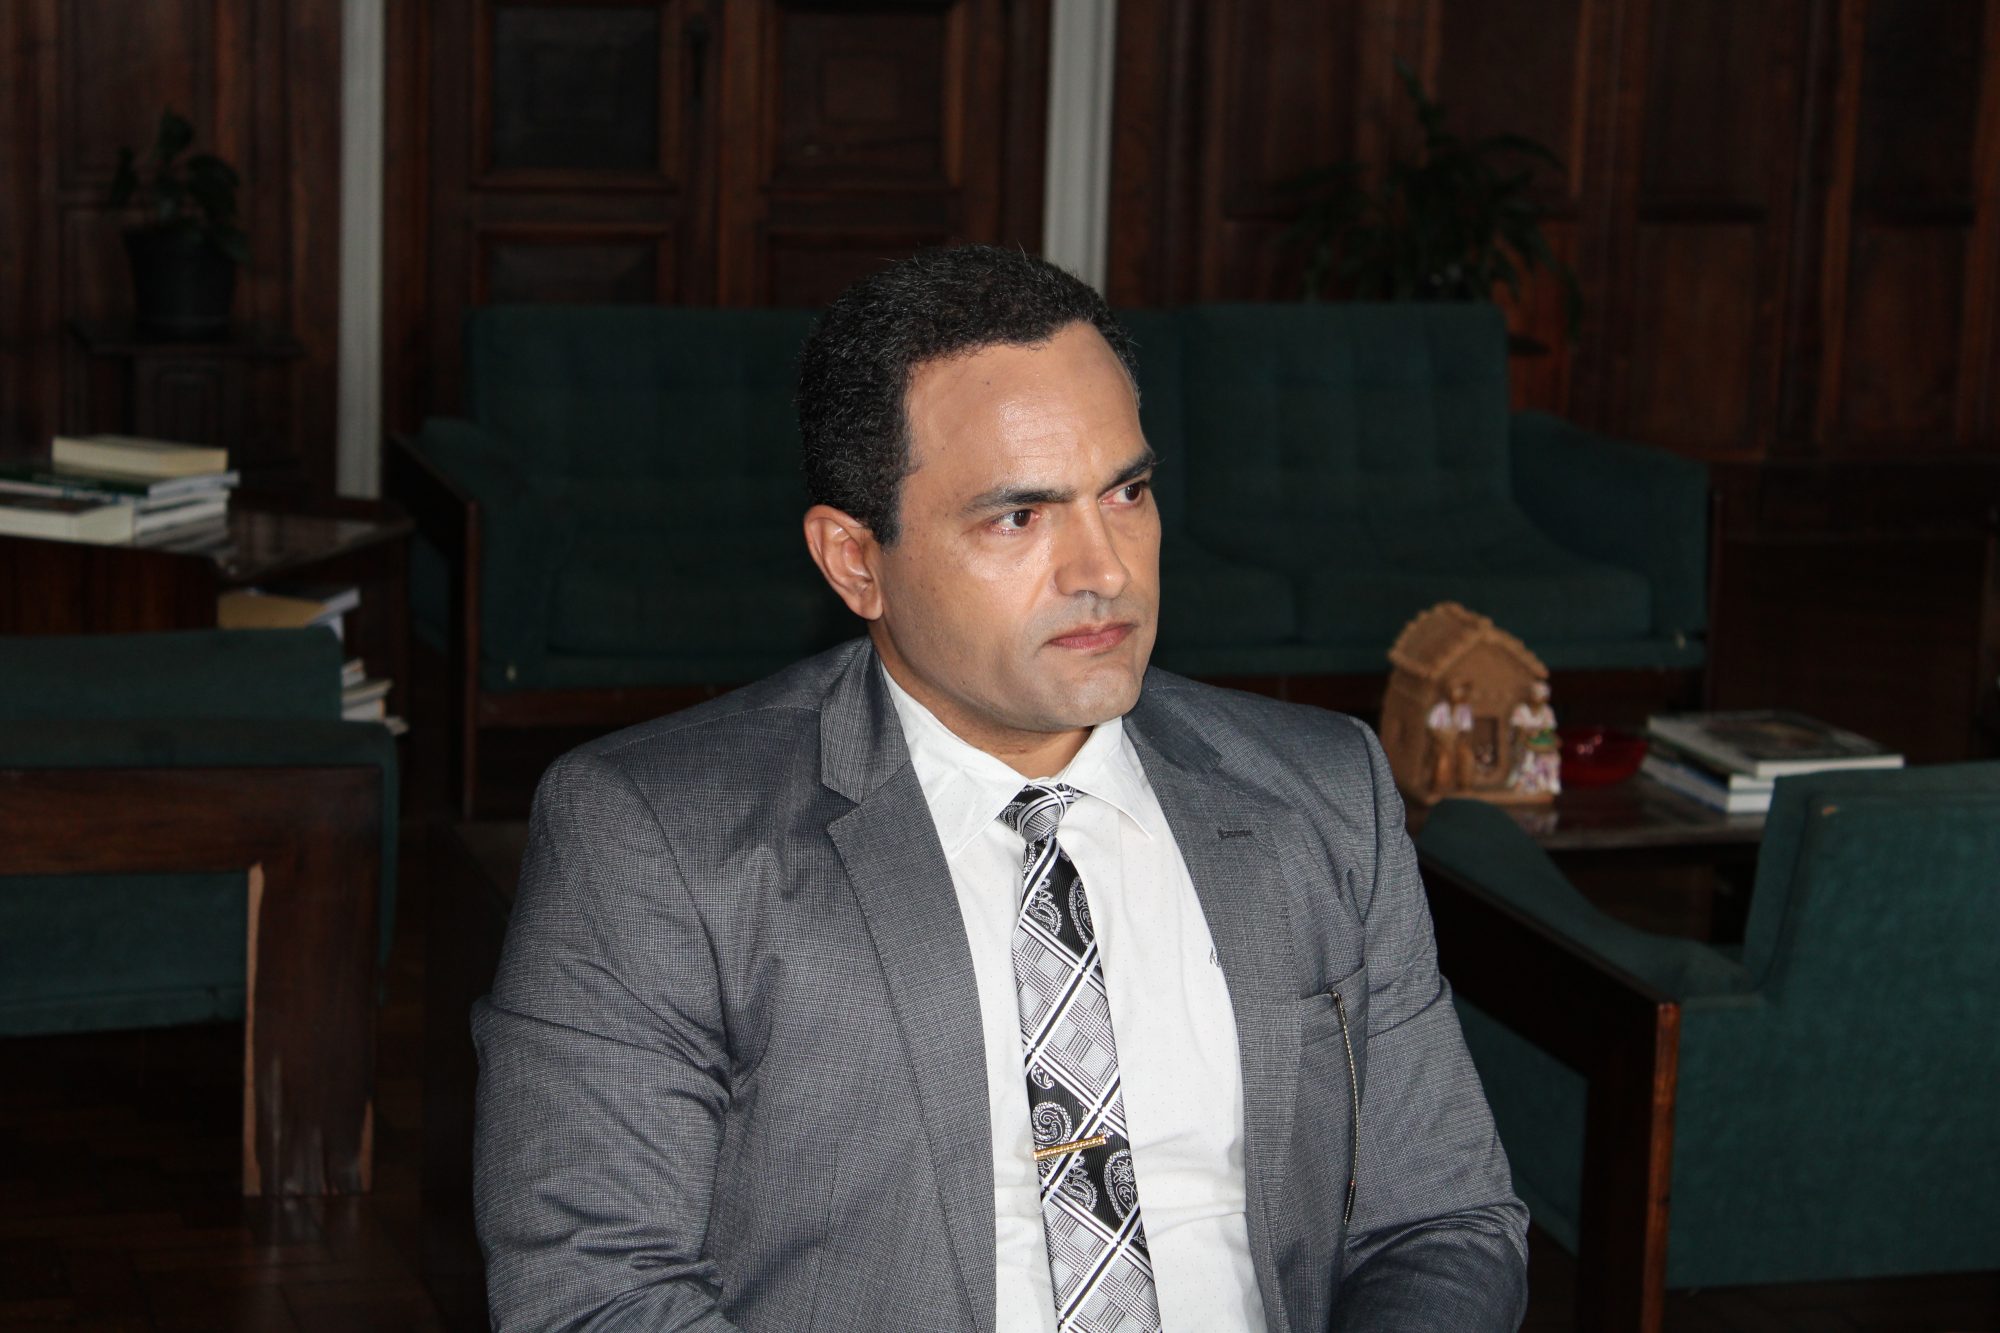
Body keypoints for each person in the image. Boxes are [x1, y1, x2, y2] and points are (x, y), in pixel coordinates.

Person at [473, 245, 1528, 1332]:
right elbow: (596, 1291)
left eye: (1126, 493)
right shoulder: (652, 841)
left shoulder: (1322, 793)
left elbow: (1440, 1220)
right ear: (855, 561)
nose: (1103, 570)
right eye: (1018, 517)